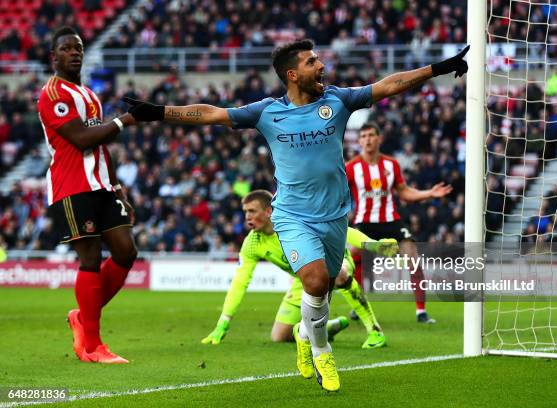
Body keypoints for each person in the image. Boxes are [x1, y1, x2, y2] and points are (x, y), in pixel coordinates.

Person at [124, 39, 469, 391]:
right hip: (291, 215)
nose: (321, 66)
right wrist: (159, 111)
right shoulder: (266, 111)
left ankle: (306, 334)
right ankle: (322, 351)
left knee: (325, 289)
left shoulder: (338, 100)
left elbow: (388, 85)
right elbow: (212, 113)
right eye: (311, 61)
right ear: (292, 74)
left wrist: (437, 68)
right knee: (316, 280)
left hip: (335, 216)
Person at [37, 27, 137, 364]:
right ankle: (92, 346)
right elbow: (81, 139)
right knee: (90, 258)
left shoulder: (89, 95)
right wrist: (124, 121)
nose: (74, 53)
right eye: (66, 48)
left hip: (101, 185)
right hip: (71, 185)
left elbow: (99, 144)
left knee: (126, 251)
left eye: (78, 47)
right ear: (55, 56)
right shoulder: (52, 94)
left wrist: (118, 188)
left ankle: (82, 316)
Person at [202, 190, 396, 349]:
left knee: (338, 274)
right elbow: (240, 282)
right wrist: (223, 323)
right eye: (245, 212)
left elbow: (343, 231)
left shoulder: (293, 223)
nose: (247, 217)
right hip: (304, 278)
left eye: (252, 211)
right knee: (279, 336)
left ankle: (375, 331)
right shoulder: (252, 243)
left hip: (333, 261)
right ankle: (324, 329)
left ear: (269, 211)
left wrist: (374, 246)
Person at [346, 123, 453, 324]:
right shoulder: (351, 168)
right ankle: (358, 306)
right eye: (363, 136)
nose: (367, 139)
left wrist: (428, 194)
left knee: (413, 259)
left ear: (379, 139)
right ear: (359, 141)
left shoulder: (391, 164)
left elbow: (404, 192)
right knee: (352, 262)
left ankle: (421, 312)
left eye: (371, 135)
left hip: (391, 220)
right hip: (364, 222)